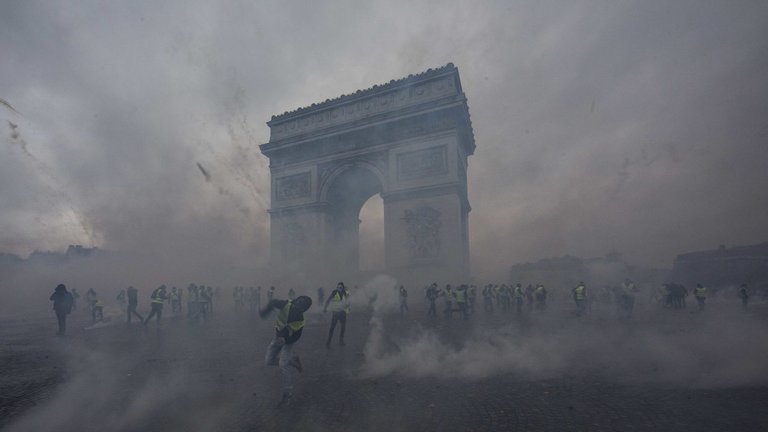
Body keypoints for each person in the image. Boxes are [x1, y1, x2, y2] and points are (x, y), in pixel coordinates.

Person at [260, 295, 312, 407]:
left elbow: (296, 337)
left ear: (304, 309)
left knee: (283, 365)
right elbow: (273, 302)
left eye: (301, 306)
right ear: (295, 301)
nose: (297, 306)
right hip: (277, 336)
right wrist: (265, 311)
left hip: (288, 342)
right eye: (298, 302)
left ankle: (287, 394)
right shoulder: (286, 304)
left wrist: (285, 339)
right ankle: (293, 361)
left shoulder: (300, 320)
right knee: (268, 361)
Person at [323, 282, 350, 347]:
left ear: (342, 287)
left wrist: (348, 310)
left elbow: (348, 302)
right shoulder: (334, 292)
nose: (338, 289)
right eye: (337, 287)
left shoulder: (345, 293)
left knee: (343, 328)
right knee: (332, 328)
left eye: (340, 287)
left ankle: (341, 341)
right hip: (335, 313)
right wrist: (325, 308)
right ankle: (328, 342)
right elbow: (328, 300)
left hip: (342, 313)